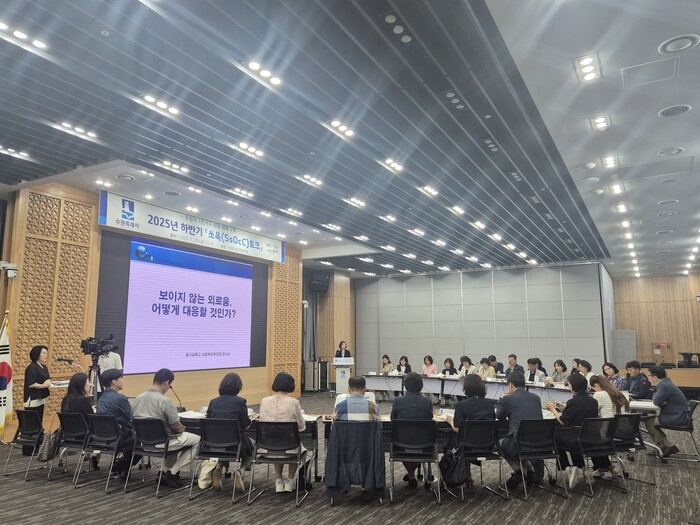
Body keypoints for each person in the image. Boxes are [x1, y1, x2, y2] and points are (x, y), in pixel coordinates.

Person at [131, 368, 200, 487]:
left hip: (144, 443)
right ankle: (172, 473)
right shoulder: (165, 401)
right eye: (170, 385)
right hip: (164, 442)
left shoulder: (137, 399)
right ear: (167, 382)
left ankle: (163, 471)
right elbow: (176, 427)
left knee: (175, 439)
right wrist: (184, 429)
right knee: (197, 440)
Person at [203, 372, 254, 492]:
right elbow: (245, 424)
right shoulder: (240, 402)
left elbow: (208, 421)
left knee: (224, 442)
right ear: (238, 386)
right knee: (252, 445)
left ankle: (218, 468)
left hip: (214, 444)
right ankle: (241, 471)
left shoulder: (213, 402)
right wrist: (250, 420)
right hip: (236, 445)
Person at [546, 373, 598, 488]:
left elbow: (563, 421)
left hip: (575, 439)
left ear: (573, 386)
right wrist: (563, 408)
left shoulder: (573, 402)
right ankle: (581, 467)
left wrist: (553, 410)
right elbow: (580, 414)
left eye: (568, 384)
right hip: (589, 438)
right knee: (570, 437)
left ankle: (567, 467)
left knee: (555, 437)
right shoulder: (593, 401)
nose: (568, 386)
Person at [258, 372, 306, 493]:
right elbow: (301, 427)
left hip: (268, 447)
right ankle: (290, 481)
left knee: (277, 442)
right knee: (300, 448)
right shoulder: (293, 402)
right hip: (289, 448)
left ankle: (278, 481)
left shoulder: (264, 401)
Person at [497, 371, 544, 489]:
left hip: (517, 442)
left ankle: (522, 472)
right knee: (517, 445)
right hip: (539, 441)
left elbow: (499, 415)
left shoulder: (509, 399)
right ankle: (531, 474)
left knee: (500, 444)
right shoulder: (536, 398)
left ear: (511, 385)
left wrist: (502, 399)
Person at [447, 374, 495, 487]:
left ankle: (459, 475)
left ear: (466, 388)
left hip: (467, 446)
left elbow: (458, 429)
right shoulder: (489, 403)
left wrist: (450, 421)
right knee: (468, 438)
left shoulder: (461, 405)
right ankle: (467, 475)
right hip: (487, 445)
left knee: (455, 441)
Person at [97, 369, 140, 480]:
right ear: (114, 382)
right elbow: (130, 416)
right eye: (121, 378)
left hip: (104, 435)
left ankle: (121, 464)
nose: (123, 380)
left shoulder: (101, 398)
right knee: (143, 441)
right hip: (121, 435)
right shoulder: (120, 398)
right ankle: (122, 465)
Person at [391, 372, 433, 488]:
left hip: (401, 443)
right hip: (425, 443)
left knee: (405, 446)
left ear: (405, 386)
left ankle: (411, 475)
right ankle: (411, 474)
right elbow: (430, 419)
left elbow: (392, 419)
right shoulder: (427, 402)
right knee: (419, 447)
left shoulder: (397, 401)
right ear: (421, 385)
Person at [589, 374, 629, 478]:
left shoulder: (599, 394)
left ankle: (603, 467)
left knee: (588, 437)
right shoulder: (619, 393)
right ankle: (607, 466)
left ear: (596, 385)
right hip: (626, 433)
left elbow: (592, 411)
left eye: (593, 388)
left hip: (611, 434)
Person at [643, 367, 689, 457]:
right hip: (677, 414)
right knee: (650, 420)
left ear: (655, 377)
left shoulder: (664, 386)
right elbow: (658, 401)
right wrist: (661, 401)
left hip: (678, 417)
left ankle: (663, 446)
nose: (648, 377)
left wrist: (660, 401)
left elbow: (655, 400)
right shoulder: (665, 383)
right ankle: (666, 446)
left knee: (649, 422)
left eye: (649, 375)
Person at [23, 345, 51, 455]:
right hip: (32, 399)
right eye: (43, 353)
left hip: (41, 398)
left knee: (38, 423)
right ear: (37, 354)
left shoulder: (43, 366)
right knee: (31, 425)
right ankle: (28, 449)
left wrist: (48, 382)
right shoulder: (31, 367)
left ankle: (37, 446)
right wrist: (43, 385)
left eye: (46, 353)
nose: (46, 355)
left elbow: (47, 378)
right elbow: (31, 384)